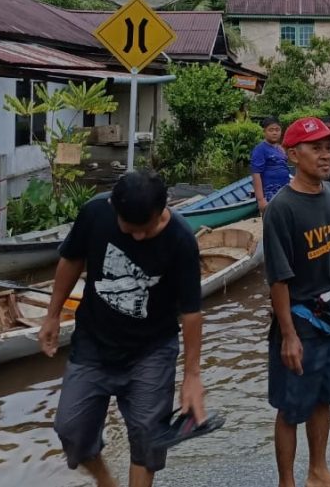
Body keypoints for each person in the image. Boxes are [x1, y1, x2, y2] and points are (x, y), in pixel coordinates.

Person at [40, 171, 205, 487]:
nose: (139, 238)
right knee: (71, 430)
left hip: (152, 351)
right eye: (130, 230)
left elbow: (191, 313)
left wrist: (192, 376)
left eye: (147, 229)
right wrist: (52, 315)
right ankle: (106, 482)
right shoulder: (95, 212)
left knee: (148, 437)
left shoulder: (181, 239)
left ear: (162, 210)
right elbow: (71, 259)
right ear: (114, 208)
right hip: (93, 342)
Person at [263, 117, 330, 487]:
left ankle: (318, 469)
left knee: (323, 396)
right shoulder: (281, 209)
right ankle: (287, 481)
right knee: (290, 406)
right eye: (315, 148)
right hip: (300, 319)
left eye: (329, 148)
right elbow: (279, 278)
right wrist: (287, 334)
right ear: (293, 154)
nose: (325, 155)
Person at [252, 116, 291, 212]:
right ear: (264, 131)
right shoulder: (260, 149)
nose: (274, 132)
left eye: (277, 130)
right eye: (271, 130)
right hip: (269, 194)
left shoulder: (280, 148)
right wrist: (261, 199)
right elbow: (256, 174)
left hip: (284, 191)